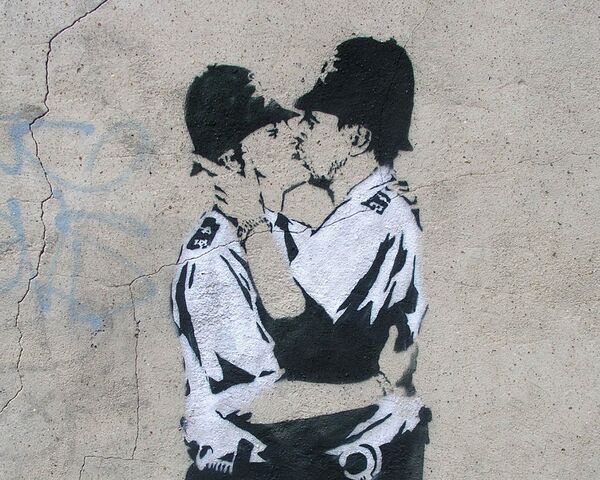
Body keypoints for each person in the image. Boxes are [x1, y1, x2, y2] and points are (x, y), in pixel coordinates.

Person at [173, 38, 430, 480]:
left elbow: (303, 319)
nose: (295, 133)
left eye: (308, 121)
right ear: (233, 161)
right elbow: (249, 398)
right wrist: (377, 393)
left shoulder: (342, 223)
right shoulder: (214, 255)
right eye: (275, 131)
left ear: (357, 137)